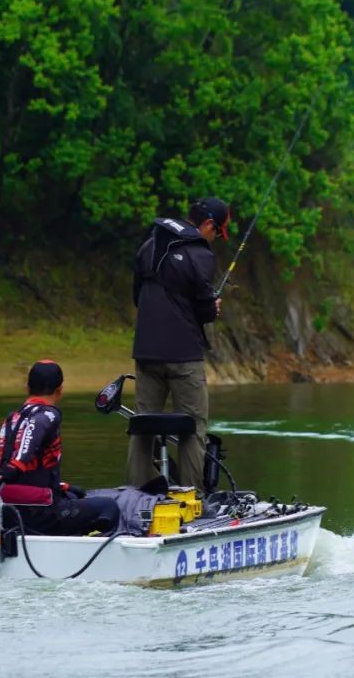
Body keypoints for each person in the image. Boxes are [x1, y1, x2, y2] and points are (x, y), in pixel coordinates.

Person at [128, 197, 230, 492]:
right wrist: (214, 306)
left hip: (146, 352)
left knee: (142, 427)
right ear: (208, 224)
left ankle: (136, 496)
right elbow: (205, 311)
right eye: (217, 233)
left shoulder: (150, 245)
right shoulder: (201, 255)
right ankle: (190, 500)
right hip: (184, 355)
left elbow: (138, 297)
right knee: (193, 428)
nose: (215, 239)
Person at [0, 360, 120, 535]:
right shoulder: (47, 414)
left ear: (28, 388)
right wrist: (16, 465)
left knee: (76, 495)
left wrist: (60, 486)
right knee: (109, 507)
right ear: (59, 390)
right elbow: (36, 429)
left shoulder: (12, 418)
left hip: (10, 510)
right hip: (41, 514)